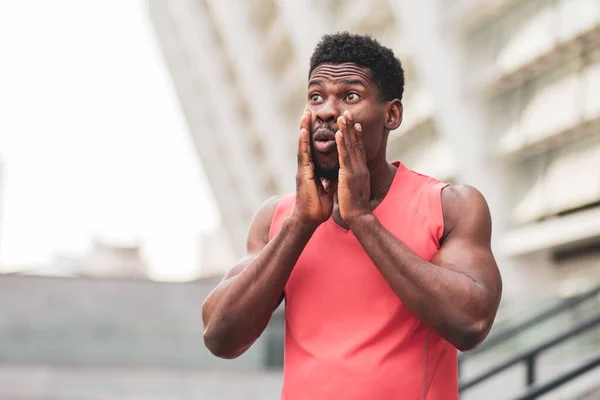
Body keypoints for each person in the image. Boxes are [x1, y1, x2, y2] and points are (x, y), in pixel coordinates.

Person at [202, 32, 502, 400]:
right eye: (316, 96)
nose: (326, 111)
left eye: (350, 96)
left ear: (392, 114)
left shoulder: (450, 206)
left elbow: (470, 324)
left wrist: (363, 219)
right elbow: (220, 337)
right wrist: (300, 224)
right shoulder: (278, 217)